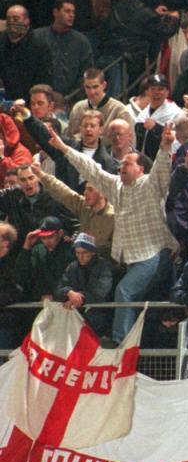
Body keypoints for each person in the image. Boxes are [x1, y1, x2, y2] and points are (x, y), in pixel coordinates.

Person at [49, 121, 178, 344]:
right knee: (118, 295)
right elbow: (91, 168)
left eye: (127, 163)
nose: (121, 167)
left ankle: (120, 343)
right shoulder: (116, 185)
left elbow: (162, 169)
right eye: (121, 164)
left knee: (124, 292)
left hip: (153, 254)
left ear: (141, 169)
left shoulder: (151, 184)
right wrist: (63, 148)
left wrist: (165, 147)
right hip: (125, 257)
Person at [55, 233, 113, 338]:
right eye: (77, 253)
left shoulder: (104, 266)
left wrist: (77, 297)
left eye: (84, 253)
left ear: (93, 252)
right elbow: (58, 290)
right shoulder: (72, 267)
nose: (80, 257)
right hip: (75, 324)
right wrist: (68, 292)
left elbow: (101, 291)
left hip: (100, 322)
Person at [33, 0, 94, 95]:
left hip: (71, 98)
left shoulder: (81, 41)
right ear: (55, 12)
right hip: (40, 97)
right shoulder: (37, 37)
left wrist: (74, 96)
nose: (71, 15)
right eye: (67, 11)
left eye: (73, 12)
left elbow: (86, 72)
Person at [14, 216, 74, 304]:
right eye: (43, 238)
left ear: (60, 233)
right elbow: (21, 276)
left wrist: (57, 295)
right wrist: (26, 248)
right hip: (40, 301)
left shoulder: (71, 250)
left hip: (65, 301)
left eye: (50, 237)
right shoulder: (37, 250)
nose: (46, 241)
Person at [0, 5, 54, 102]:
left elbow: (44, 81)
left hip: (32, 101)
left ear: (26, 21)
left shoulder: (39, 46)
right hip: (7, 99)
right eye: (9, 19)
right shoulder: (2, 42)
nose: (11, 22)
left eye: (16, 19)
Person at [67, 68, 136, 138]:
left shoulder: (119, 110)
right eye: (88, 87)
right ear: (84, 86)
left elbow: (130, 141)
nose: (92, 92)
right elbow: (69, 138)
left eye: (95, 87)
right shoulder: (78, 108)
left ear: (104, 85)